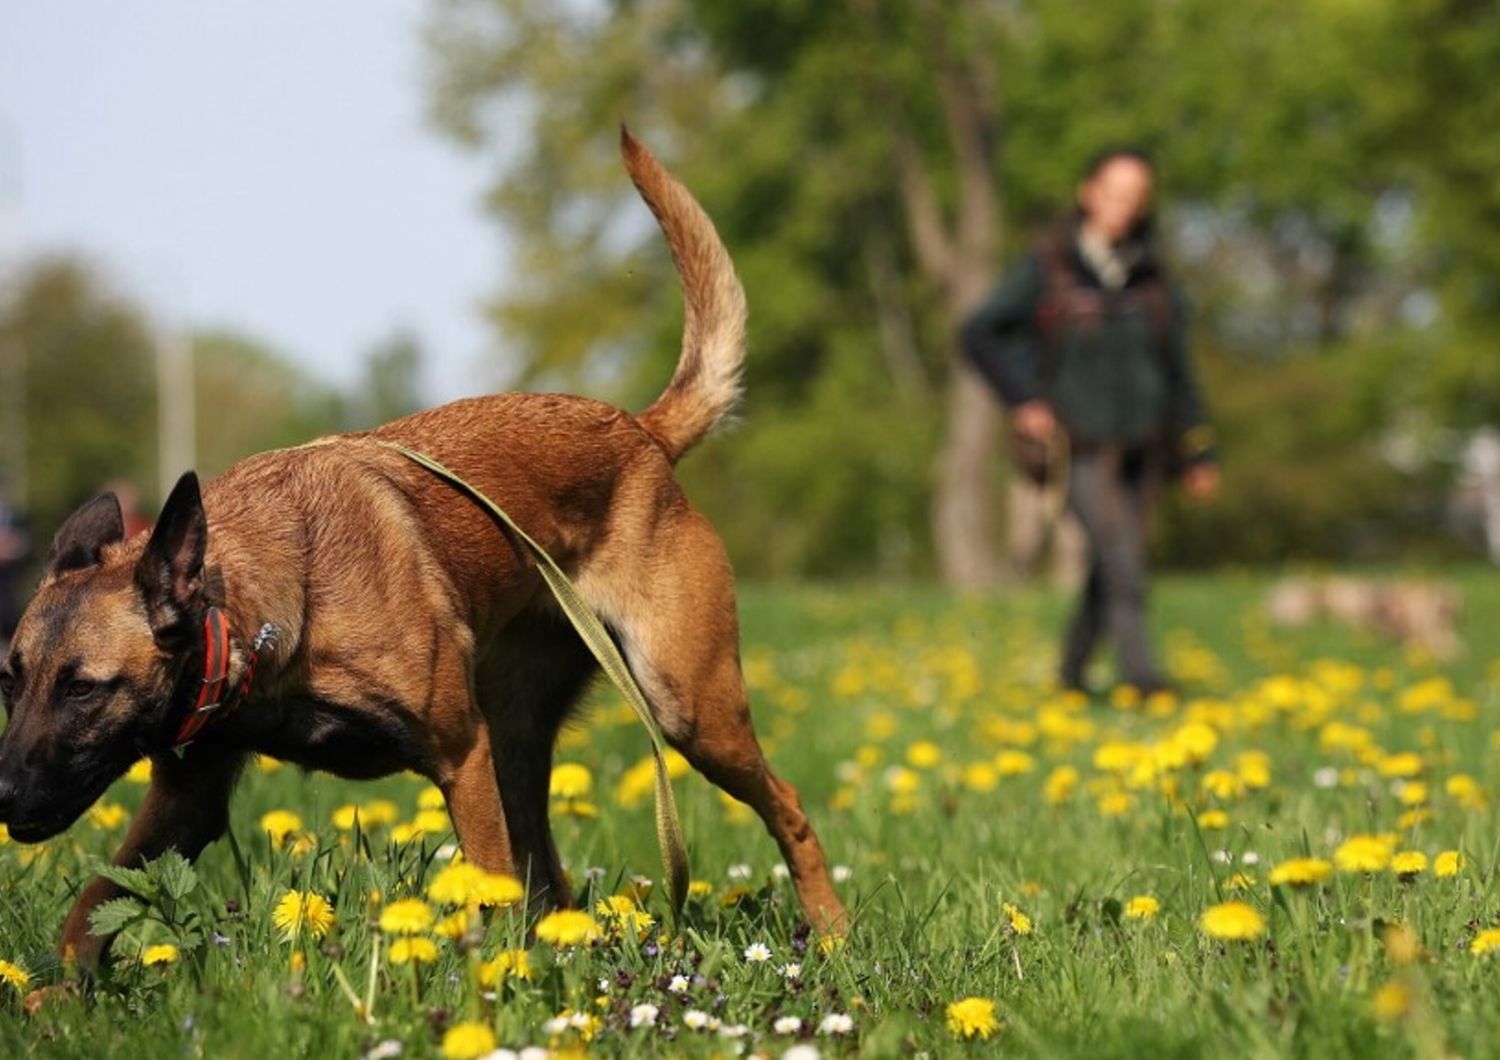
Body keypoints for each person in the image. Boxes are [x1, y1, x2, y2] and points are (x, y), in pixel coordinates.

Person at [961, 147, 1219, 696]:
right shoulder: (1048, 268)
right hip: (1075, 449)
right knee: (1121, 554)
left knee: (1112, 561)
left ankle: (1071, 674)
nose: (1124, 206)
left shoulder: (1155, 278)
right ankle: (1144, 680)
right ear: (1089, 193)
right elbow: (977, 333)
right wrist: (1024, 397)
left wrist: (1198, 451)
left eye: (1136, 197)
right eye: (1115, 192)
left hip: (1145, 450)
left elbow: (1180, 370)